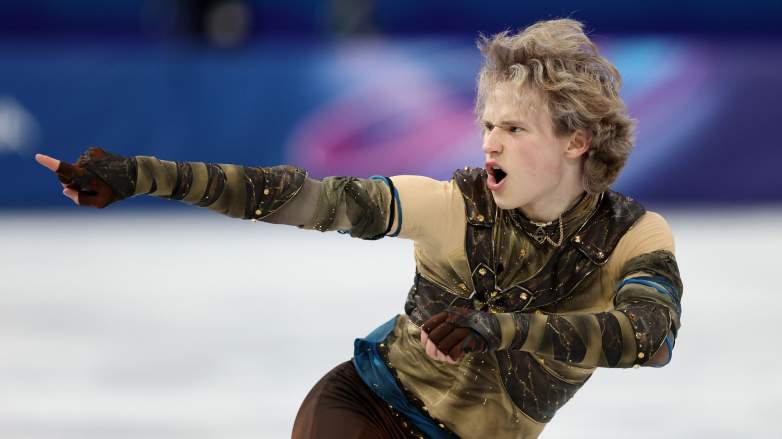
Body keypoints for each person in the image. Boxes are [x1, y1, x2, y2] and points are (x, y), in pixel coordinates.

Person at [36, 18, 683, 439]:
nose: (491, 144)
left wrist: (499, 329)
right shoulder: (449, 205)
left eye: (514, 129)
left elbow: (649, 339)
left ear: (577, 140)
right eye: (488, 124)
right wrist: (144, 174)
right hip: (364, 412)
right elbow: (298, 197)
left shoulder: (633, 237)